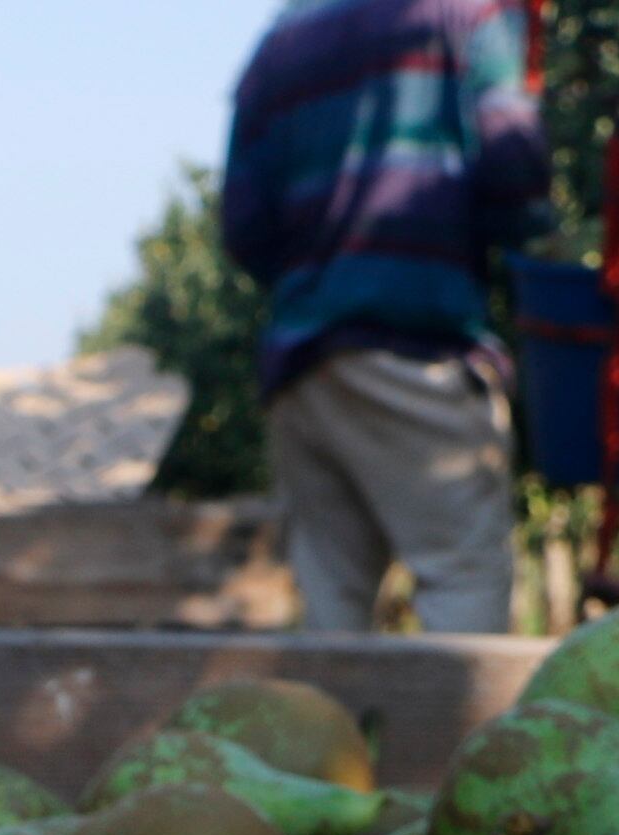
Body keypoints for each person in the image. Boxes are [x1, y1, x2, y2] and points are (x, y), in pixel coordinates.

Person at [217, 0, 547, 634]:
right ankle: (461, 737)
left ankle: (320, 735)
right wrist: (518, 235)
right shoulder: (468, 12)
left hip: (303, 359)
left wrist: (317, 274)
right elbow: (515, 164)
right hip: (414, 345)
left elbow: (243, 225)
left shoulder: (279, 42)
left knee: (329, 598)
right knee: (462, 575)